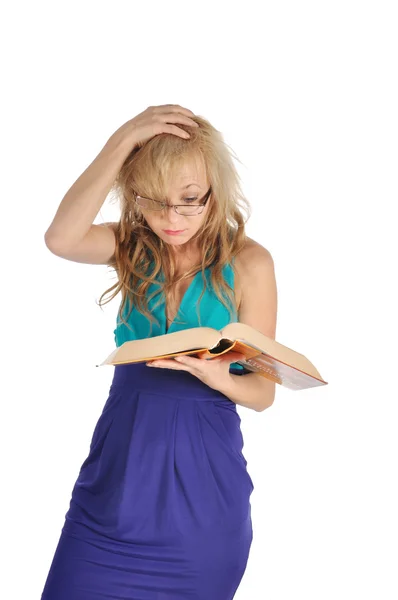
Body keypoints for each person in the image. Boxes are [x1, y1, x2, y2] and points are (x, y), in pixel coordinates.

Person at [41, 104, 278, 599]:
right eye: (153, 201)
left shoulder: (251, 263)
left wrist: (220, 378)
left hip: (203, 504)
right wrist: (124, 137)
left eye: (190, 199)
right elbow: (61, 238)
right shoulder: (130, 245)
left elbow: (262, 393)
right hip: (112, 494)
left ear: (216, 189)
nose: (172, 218)